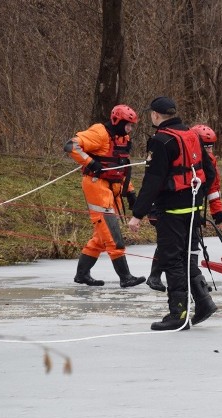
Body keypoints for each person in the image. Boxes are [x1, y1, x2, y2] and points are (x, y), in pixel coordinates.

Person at [127, 97, 217, 331]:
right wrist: (198, 196)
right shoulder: (192, 135)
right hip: (193, 210)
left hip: (173, 211)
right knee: (187, 258)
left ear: (156, 115)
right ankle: (204, 302)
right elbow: (209, 171)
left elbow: (153, 181)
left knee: (172, 260)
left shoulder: (160, 141)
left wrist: (137, 213)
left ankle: (178, 313)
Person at [64, 104, 146, 288]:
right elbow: (71, 145)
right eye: (128, 125)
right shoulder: (99, 132)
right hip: (96, 185)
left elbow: (122, 167)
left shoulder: (123, 138)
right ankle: (125, 277)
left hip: (114, 187)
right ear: (118, 121)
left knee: (101, 236)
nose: (130, 129)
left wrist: (130, 192)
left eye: (131, 125)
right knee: (111, 233)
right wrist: (91, 163)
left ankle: (82, 274)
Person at [145, 123, 222, 292]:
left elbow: (213, 188)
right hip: (171, 207)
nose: (209, 151)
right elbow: (155, 184)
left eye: (211, 147)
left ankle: (193, 278)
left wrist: (217, 211)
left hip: (192, 208)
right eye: (205, 147)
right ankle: (155, 276)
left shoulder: (210, 161)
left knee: (191, 244)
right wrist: (152, 209)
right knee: (170, 243)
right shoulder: (176, 156)